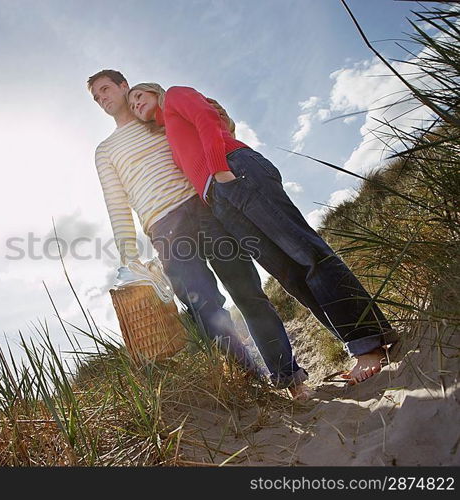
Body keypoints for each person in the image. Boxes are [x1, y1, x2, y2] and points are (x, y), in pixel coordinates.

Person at [127, 82, 398, 384]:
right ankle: (358, 343)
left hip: (235, 172)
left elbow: (207, 117)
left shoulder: (175, 95)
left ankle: (370, 343)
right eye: (132, 103)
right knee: (291, 275)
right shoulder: (167, 134)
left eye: (139, 95)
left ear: (154, 91)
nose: (136, 103)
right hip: (220, 199)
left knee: (307, 254)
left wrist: (219, 170)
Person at [88, 69, 314, 399]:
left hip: (205, 206)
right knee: (206, 309)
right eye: (96, 97)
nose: (102, 98)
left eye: (105, 89)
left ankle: (289, 378)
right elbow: (116, 202)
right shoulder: (105, 150)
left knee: (247, 292)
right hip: (163, 228)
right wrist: (129, 258)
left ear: (125, 86)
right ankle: (252, 388)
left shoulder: (159, 119)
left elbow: (206, 132)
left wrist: (226, 123)